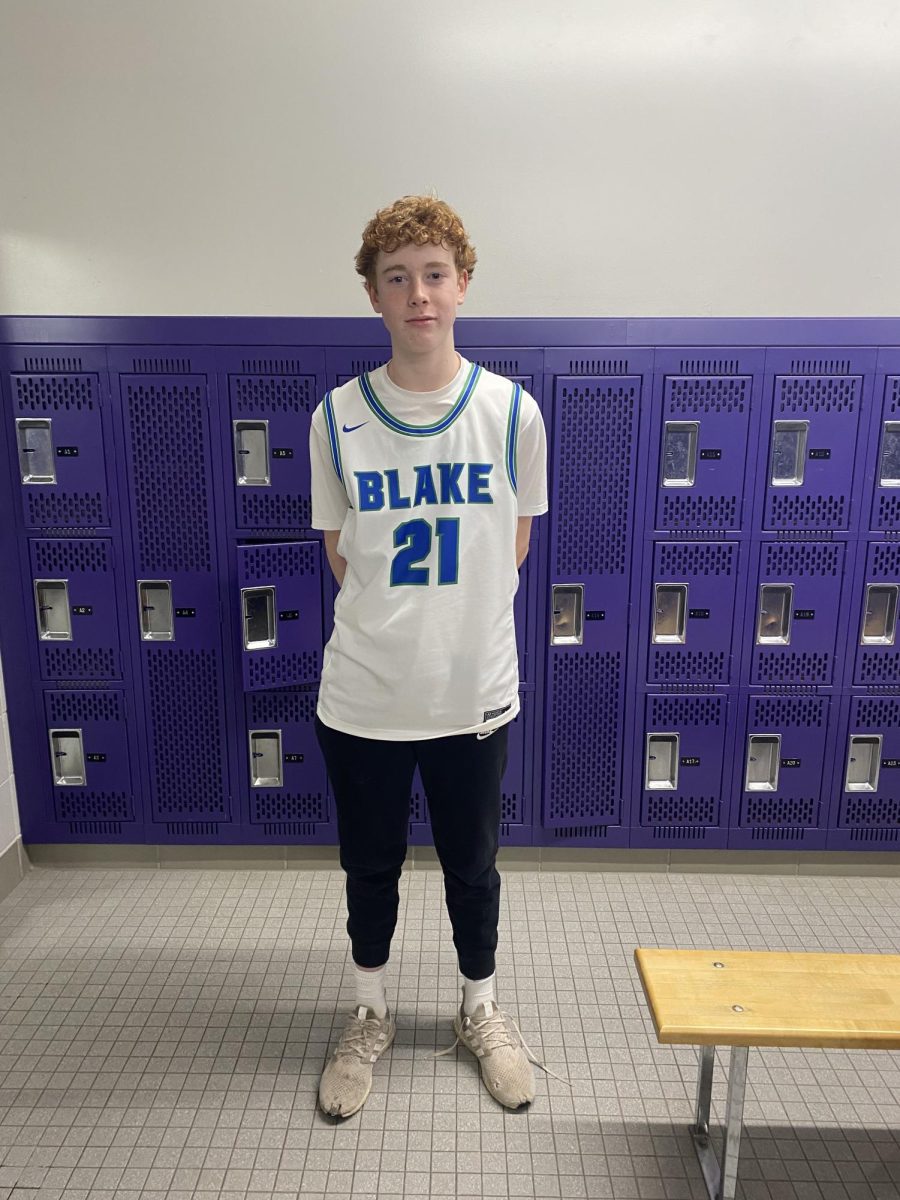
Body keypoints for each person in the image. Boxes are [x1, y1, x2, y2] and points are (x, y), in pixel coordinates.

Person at [308, 195, 548, 1118]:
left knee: (472, 866)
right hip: (364, 698)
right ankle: (369, 1013)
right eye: (397, 277)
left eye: (435, 274)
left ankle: (478, 1010)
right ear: (373, 294)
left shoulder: (511, 412)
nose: (419, 294)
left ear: (463, 283)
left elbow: (513, 542)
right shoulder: (336, 417)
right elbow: (342, 553)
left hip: (473, 695)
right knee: (369, 867)